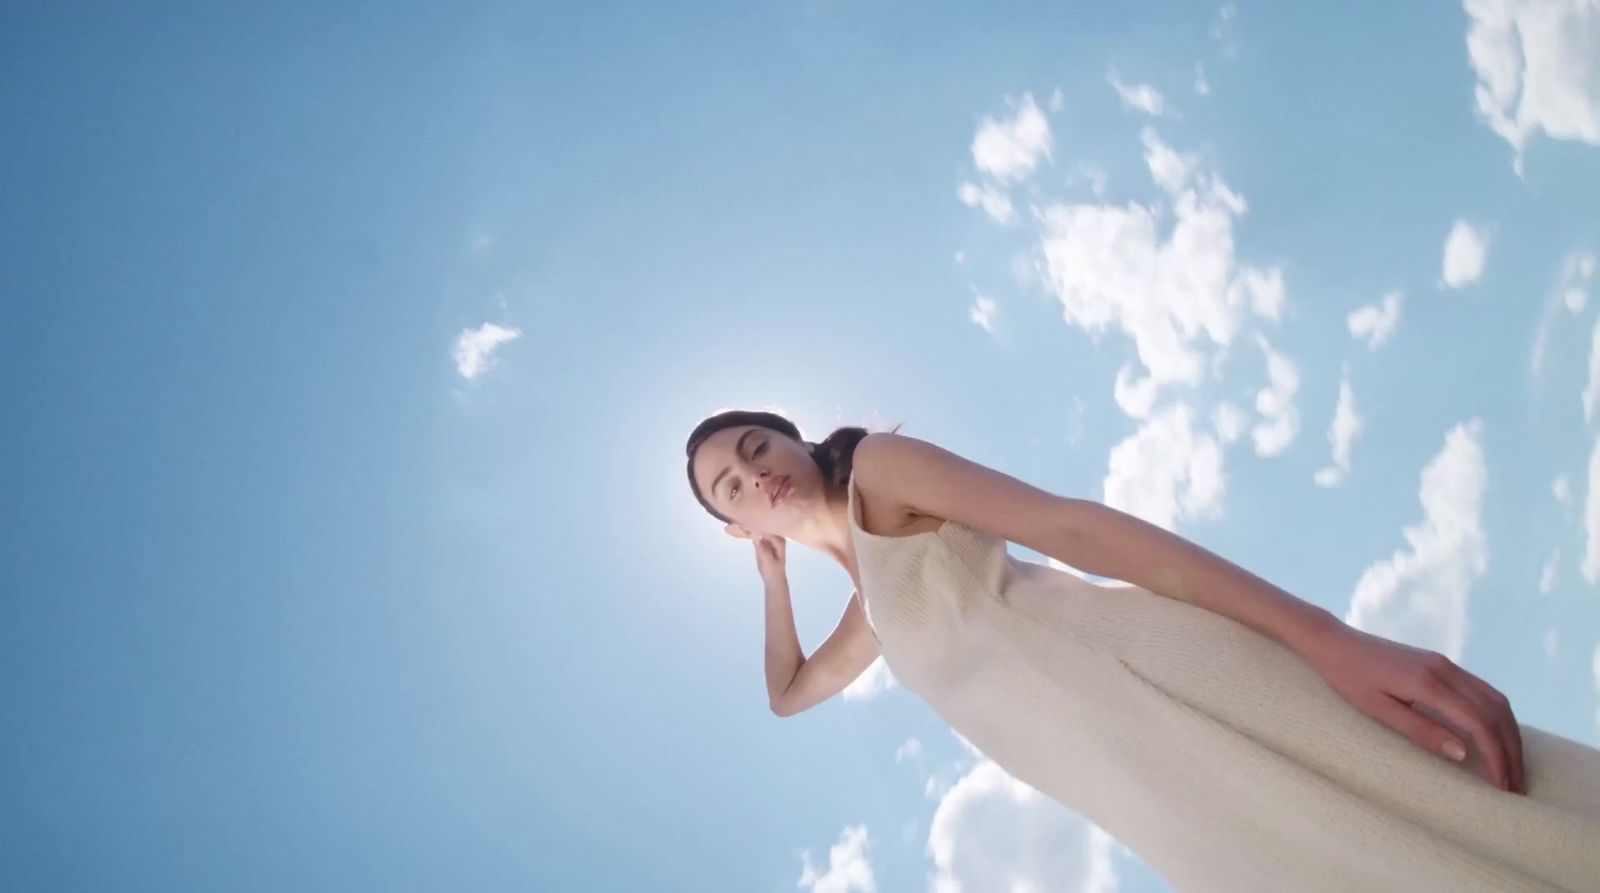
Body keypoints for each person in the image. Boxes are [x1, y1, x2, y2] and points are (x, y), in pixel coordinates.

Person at [685, 409, 1600, 893]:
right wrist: (774, 580)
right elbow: (789, 693)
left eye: (755, 444)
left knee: (1463, 817)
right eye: (732, 487)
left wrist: (1324, 636)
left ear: (795, 437)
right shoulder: (871, 617)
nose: (754, 471)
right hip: (1153, 795)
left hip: (1176, 681)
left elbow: (1070, 527)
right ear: (737, 525)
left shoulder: (881, 476)